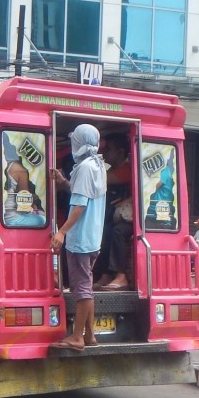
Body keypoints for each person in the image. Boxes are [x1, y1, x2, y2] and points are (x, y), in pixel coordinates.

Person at [49, 124, 107, 350]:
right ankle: (90, 335)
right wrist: (63, 181)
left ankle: (77, 337)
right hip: (92, 238)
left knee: (82, 290)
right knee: (87, 287)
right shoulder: (97, 164)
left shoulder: (84, 167)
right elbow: (80, 191)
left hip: (80, 240)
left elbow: (80, 206)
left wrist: (62, 232)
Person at [93, 132, 132, 290]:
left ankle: (121, 275)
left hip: (129, 219)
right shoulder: (116, 169)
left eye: (108, 149)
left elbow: (99, 180)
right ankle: (106, 274)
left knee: (116, 231)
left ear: (120, 152)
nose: (104, 153)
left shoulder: (126, 169)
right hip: (116, 215)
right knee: (104, 230)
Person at [1, 132, 46, 227]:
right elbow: (25, 202)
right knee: (44, 219)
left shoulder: (3, 166)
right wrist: (34, 203)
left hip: (3, 216)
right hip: (14, 218)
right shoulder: (20, 170)